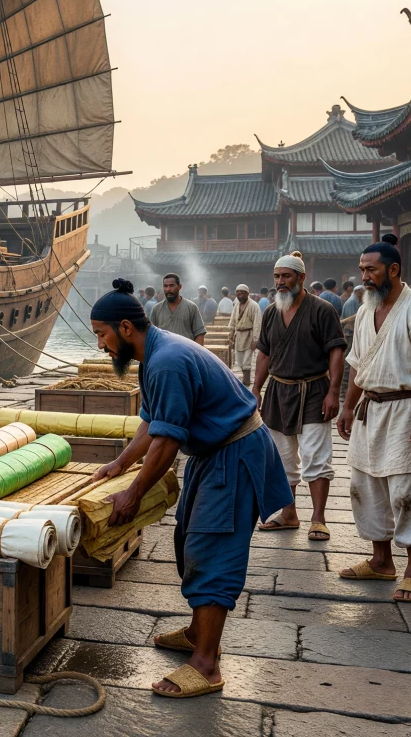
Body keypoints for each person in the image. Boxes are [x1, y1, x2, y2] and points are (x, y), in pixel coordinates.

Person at [89, 278, 291, 699]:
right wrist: (121, 463)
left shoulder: (167, 361)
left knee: (211, 547)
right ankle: (201, 632)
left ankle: (206, 665)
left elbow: (167, 441)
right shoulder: (154, 355)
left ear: (126, 329)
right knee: (188, 540)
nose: (101, 347)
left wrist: (133, 493)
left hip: (233, 453)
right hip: (212, 452)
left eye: (102, 335)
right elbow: (152, 422)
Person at [337, 235, 411, 603]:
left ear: (394, 270)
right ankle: (381, 560)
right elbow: (357, 365)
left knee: (410, 491)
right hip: (370, 411)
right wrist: (346, 406)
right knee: (366, 488)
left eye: (371, 270)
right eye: (361, 270)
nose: (364, 277)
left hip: (408, 412)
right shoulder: (366, 310)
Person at [252, 253, 346, 541]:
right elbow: (264, 353)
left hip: (314, 391)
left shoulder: (322, 309)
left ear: (301, 278)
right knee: (281, 458)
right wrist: (256, 388)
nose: (280, 282)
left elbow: (336, 352)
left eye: (286, 276)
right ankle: (289, 513)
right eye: (277, 276)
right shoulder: (270, 312)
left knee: (316, 457)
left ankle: (318, 518)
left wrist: (333, 392)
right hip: (278, 392)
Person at [149, 274, 206, 344]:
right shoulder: (156, 309)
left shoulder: (191, 307)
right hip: (163, 353)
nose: (168, 289)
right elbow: (151, 335)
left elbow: (199, 334)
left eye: (172, 285)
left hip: (186, 353)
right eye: (165, 286)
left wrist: (195, 353)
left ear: (179, 287)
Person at [227, 284, 261, 386]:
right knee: (239, 359)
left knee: (247, 360)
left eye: (242, 292)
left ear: (247, 293)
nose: (239, 295)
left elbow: (257, 323)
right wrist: (231, 335)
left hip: (249, 336)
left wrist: (255, 340)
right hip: (239, 336)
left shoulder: (254, 306)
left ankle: (246, 380)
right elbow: (232, 321)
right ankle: (244, 378)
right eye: (237, 292)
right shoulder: (236, 305)